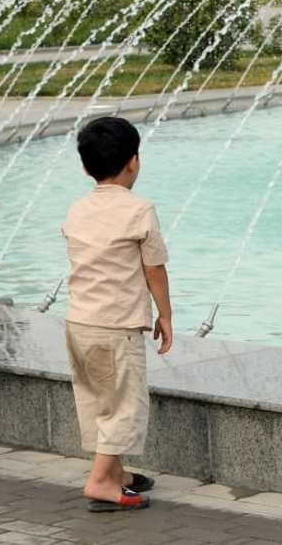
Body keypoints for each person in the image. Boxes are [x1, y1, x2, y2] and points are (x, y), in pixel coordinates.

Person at [61, 116, 174, 513]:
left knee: (94, 398)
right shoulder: (140, 210)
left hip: (78, 322)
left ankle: (116, 473)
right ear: (133, 162)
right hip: (116, 325)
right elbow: (154, 268)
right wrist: (165, 316)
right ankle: (99, 483)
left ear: (84, 166)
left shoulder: (77, 209)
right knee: (124, 404)